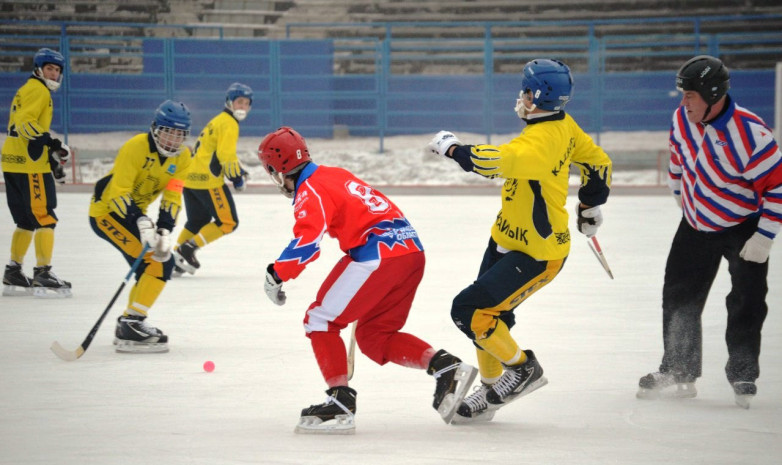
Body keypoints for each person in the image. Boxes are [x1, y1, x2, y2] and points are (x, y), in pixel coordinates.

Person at [258, 126, 477, 434]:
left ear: (276, 168)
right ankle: (446, 367)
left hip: (377, 256)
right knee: (375, 337)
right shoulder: (335, 174)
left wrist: (276, 273)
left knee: (319, 320)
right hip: (411, 251)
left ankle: (339, 402)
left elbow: (307, 243)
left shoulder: (310, 190)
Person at [428, 58, 612, 423]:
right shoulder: (563, 124)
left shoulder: (539, 143)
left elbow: (494, 161)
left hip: (538, 253)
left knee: (469, 311)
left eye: (526, 90)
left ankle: (523, 369)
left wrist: (452, 148)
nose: (521, 96)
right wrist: (590, 206)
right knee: (492, 319)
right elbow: (597, 162)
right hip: (506, 239)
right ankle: (493, 389)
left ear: (537, 95)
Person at [637, 55, 782, 409]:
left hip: (743, 228)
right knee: (679, 295)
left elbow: (778, 186)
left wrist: (764, 236)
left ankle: (743, 372)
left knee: (747, 300)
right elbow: (677, 157)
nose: (683, 103)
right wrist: (679, 193)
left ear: (713, 94)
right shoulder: (681, 119)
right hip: (696, 224)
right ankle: (679, 369)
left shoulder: (752, 134)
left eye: (690, 95)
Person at [88, 100, 193, 353]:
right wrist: (141, 220)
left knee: (156, 261)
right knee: (158, 263)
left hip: (137, 216)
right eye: (169, 132)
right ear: (156, 129)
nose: (173, 140)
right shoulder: (134, 147)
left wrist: (165, 228)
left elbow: (173, 194)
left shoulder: (183, 157)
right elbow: (118, 191)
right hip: (107, 213)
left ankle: (131, 322)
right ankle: (131, 323)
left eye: (180, 134)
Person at [2, 48, 72, 298]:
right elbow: (25, 123)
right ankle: (43, 273)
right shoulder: (38, 90)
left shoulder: (26, 89)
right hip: (29, 166)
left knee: (25, 221)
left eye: (57, 69)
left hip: (13, 161)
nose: (53, 73)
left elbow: (23, 125)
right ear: (39, 69)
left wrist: (51, 159)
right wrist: (52, 142)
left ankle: (13, 270)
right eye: (49, 68)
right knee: (45, 217)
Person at [172, 82, 252, 275]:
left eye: (247, 103)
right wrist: (237, 179)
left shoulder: (219, 120)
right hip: (207, 181)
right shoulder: (229, 123)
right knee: (228, 222)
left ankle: (174, 258)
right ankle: (188, 248)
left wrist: (239, 170)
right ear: (229, 102)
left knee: (197, 221)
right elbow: (226, 156)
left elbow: (214, 151)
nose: (242, 106)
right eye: (239, 101)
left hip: (191, 178)